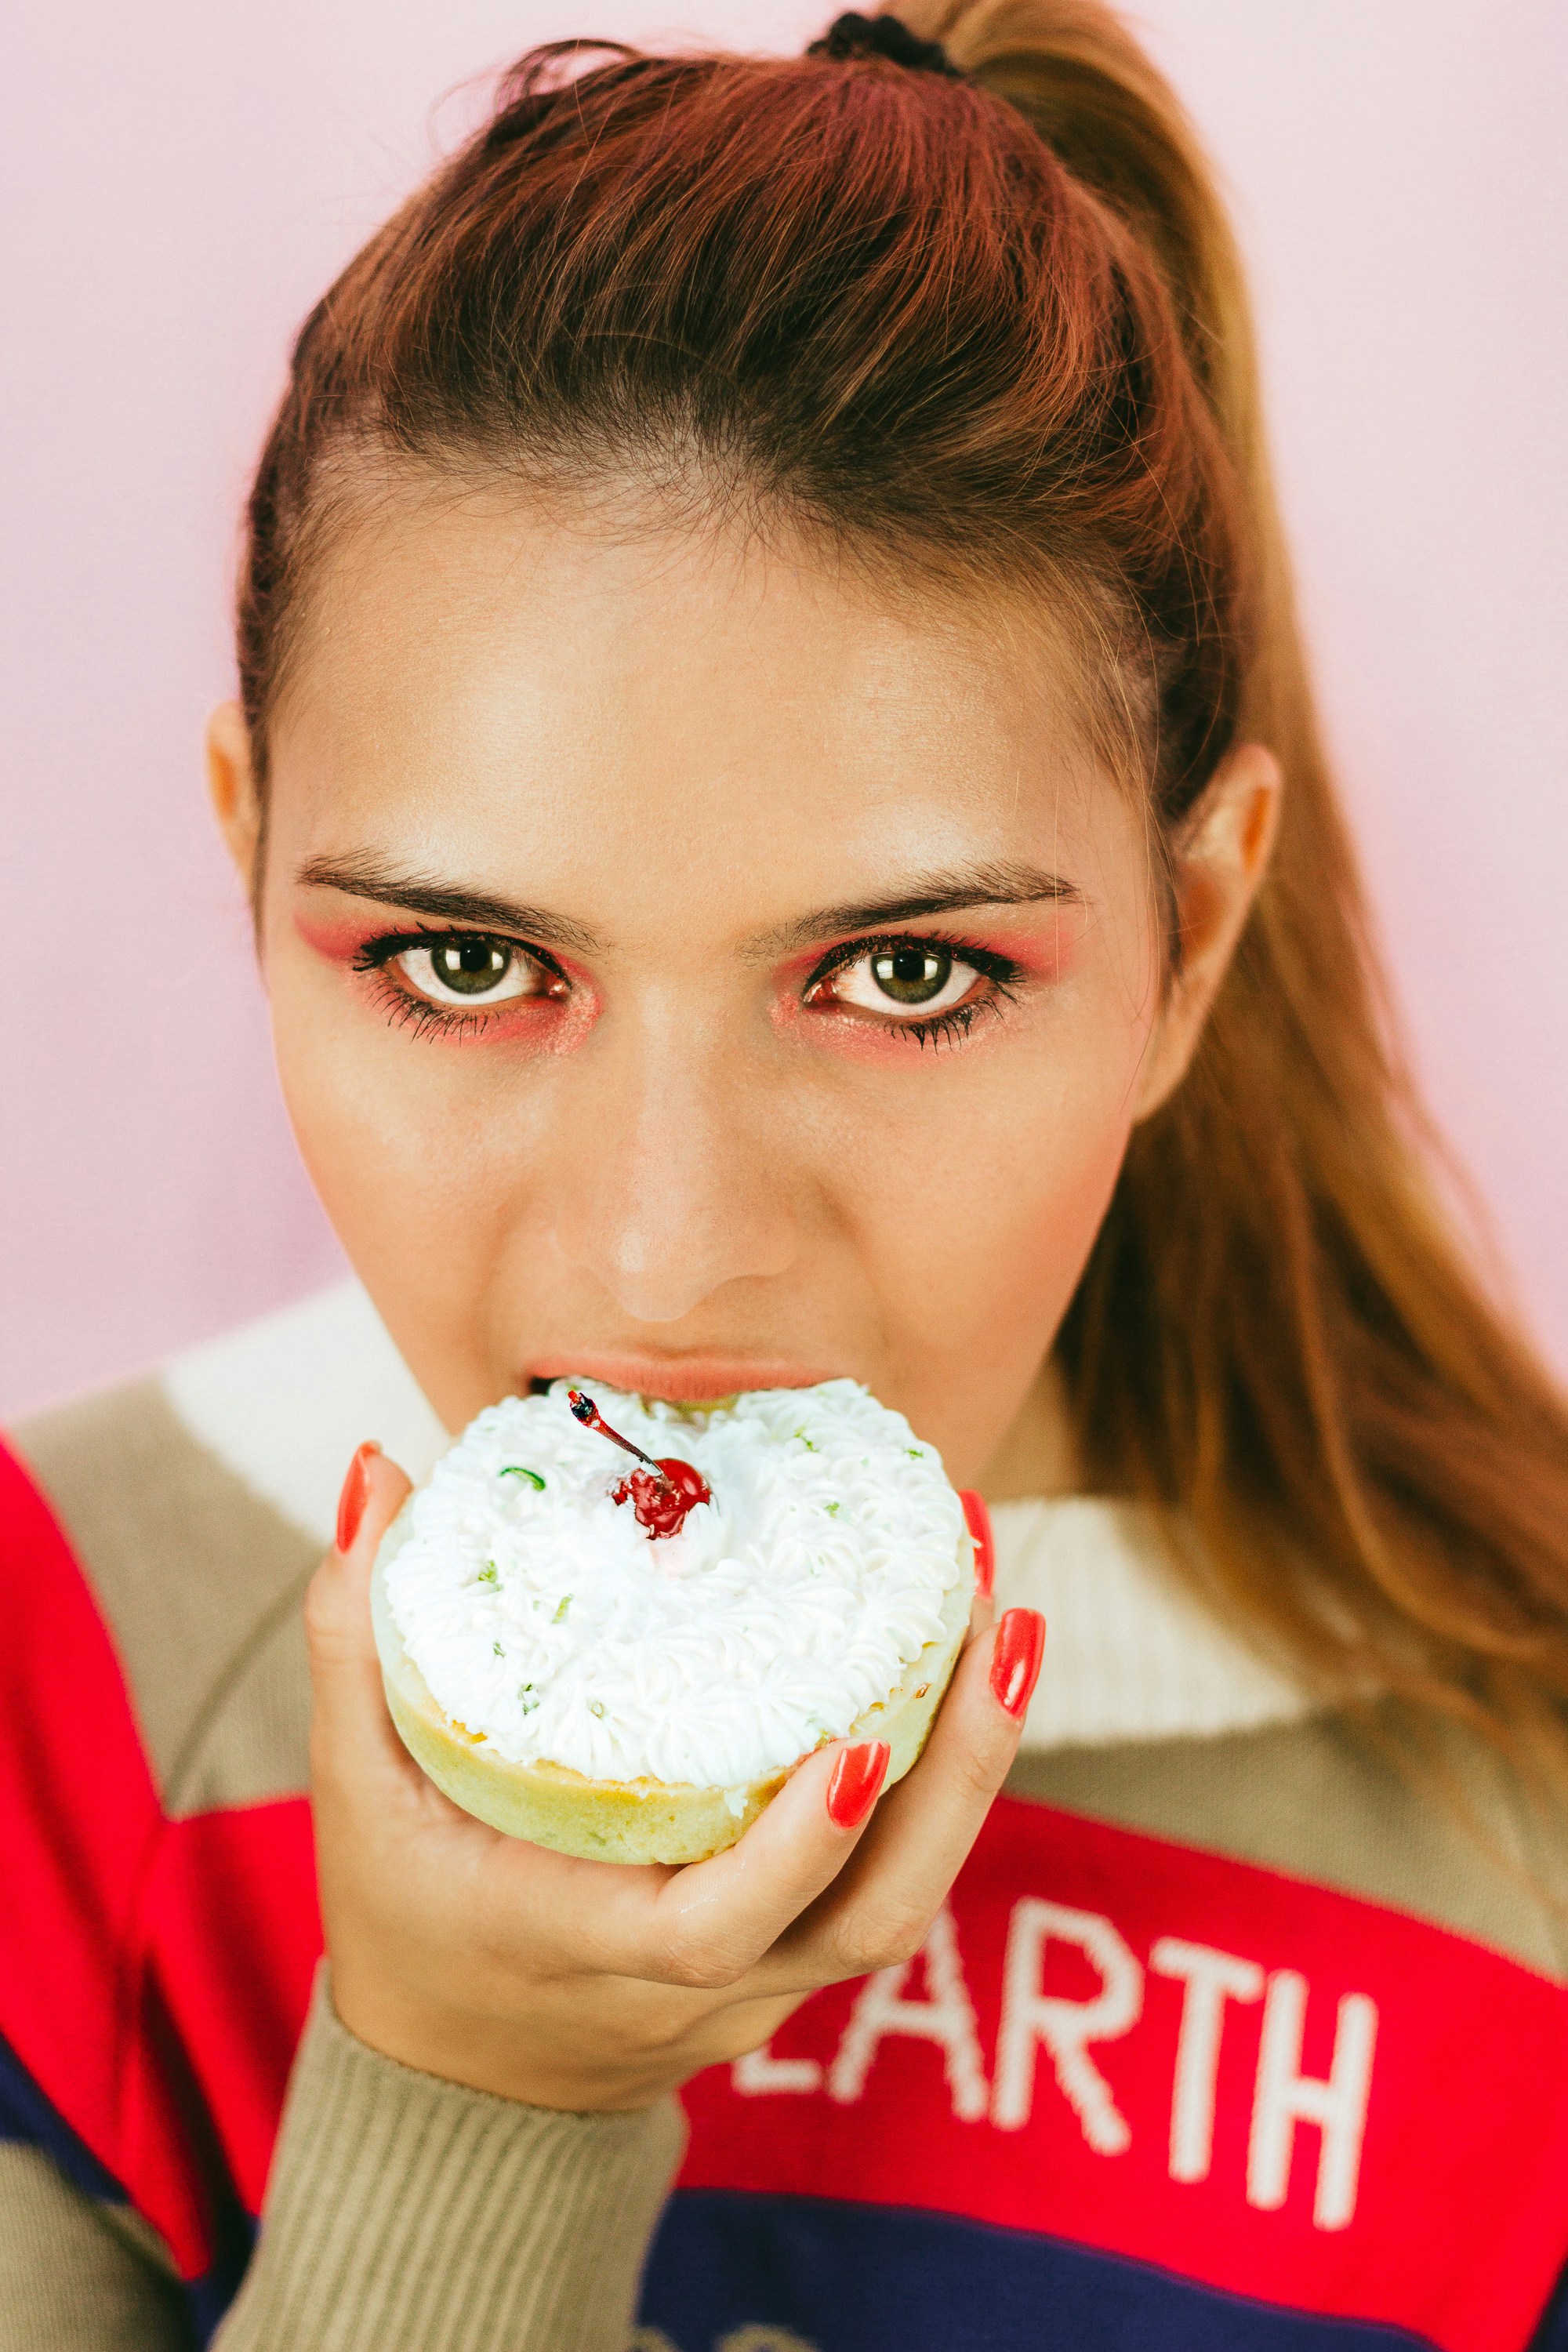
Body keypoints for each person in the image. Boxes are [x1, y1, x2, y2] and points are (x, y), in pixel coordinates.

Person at [5, 4, 1568, 2346]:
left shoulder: (1522, 1829)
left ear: (1190, 938)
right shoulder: (59, 1694)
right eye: (461, 957)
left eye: (908, 979)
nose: (662, 1249)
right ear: (250, 874)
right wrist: (466, 2100)